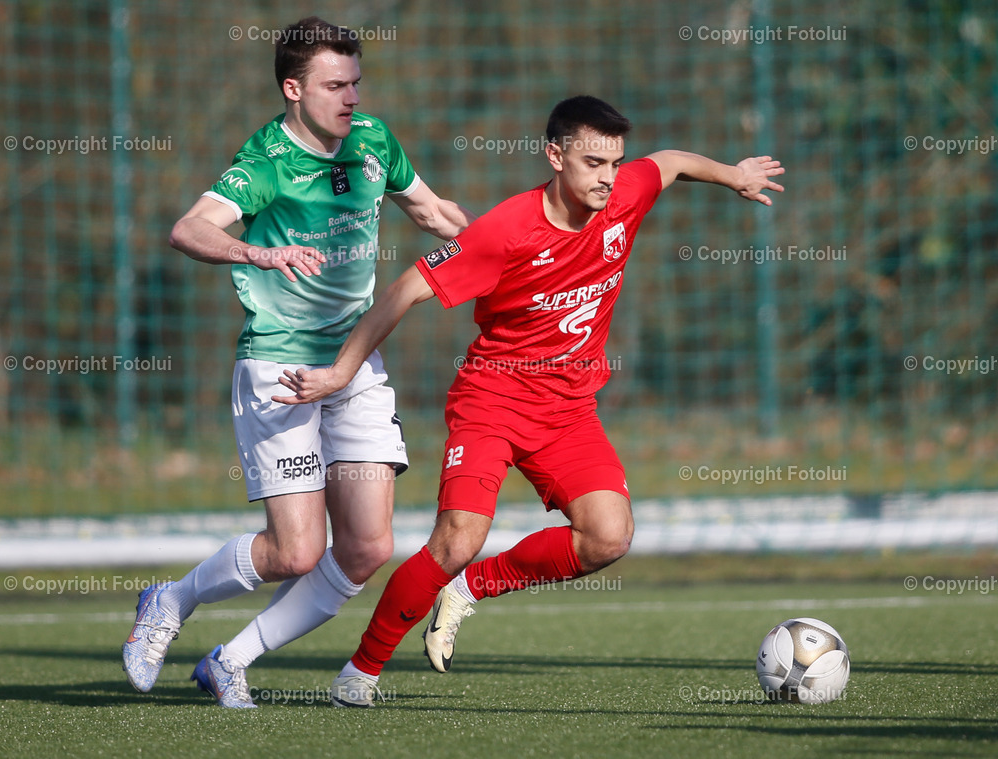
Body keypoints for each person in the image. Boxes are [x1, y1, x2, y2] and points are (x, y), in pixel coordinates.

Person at [276, 95, 785, 707]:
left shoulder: (624, 196)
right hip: (491, 398)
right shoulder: (506, 230)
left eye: (615, 163)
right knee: (457, 537)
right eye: (593, 162)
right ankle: (360, 673)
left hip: (568, 411)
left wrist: (733, 176)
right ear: (554, 155)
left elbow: (670, 162)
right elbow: (406, 289)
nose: (607, 177)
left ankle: (470, 590)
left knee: (607, 536)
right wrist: (338, 373)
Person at [121, 15, 475, 708]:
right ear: (293, 88)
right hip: (280, 371)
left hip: (355, 365)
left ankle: (232, 658)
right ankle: (170, 599)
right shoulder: (265, 162)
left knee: (368, 547)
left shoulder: (373, 142)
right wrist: (260, 251)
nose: (351, 98)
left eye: (356, 83)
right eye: (334, 85)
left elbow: (432, 211)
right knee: (295, 551)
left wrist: (512, 245)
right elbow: (188, 228)